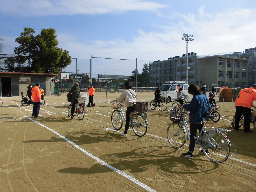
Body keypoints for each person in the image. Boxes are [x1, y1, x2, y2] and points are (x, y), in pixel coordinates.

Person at [182, 84, 212, 158]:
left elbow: (191, 108)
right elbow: (209, 107)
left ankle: (190, 152)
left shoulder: (196, 98)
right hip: (202, 118)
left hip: (195, 119)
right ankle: (206, 149)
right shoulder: (204, 96)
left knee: (193, 136)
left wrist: (184, 106)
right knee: (202, 134)